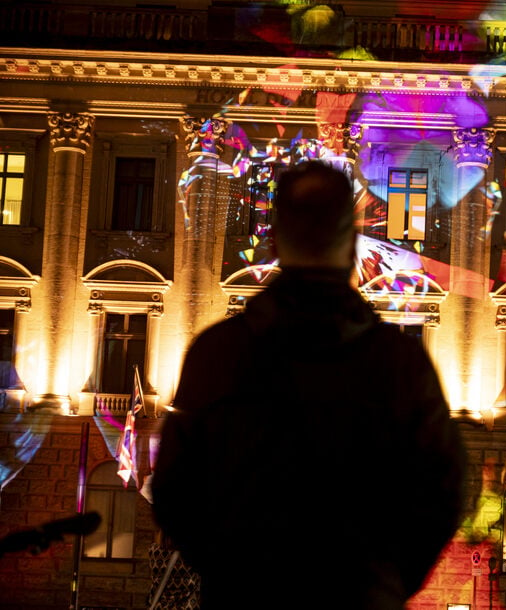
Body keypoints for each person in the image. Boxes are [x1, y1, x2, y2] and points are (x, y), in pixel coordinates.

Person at [151, 161, 467, 609]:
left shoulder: (216, 354)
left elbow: (174, 493)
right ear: (354, 243)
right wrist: (384, 581)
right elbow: (445, 492)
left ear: (274, 238)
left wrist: (231, 571)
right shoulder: (401, 363)